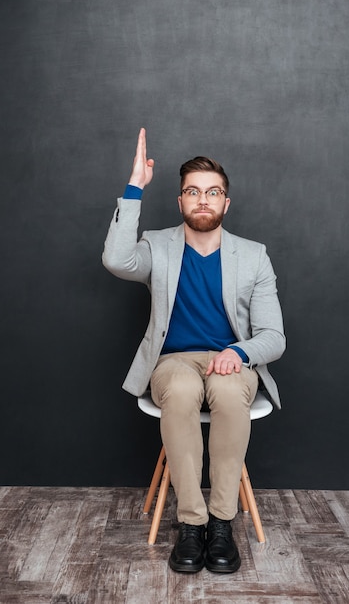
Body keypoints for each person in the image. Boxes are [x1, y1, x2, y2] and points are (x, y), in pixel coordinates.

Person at [102, 128, 285, 574]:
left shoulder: (253, 255)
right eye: (192, 192)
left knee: (225, 394)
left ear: (226, 202)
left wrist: (239, 354)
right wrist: (134, 188)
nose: (203, 199)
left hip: (231, 361)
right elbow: (116, 260)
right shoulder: (159, 247)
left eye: (213, 192)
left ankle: (222, 523)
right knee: (182, 392)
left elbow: (273, 337)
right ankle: (191, 525)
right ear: (181, 201)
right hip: (174, 361)